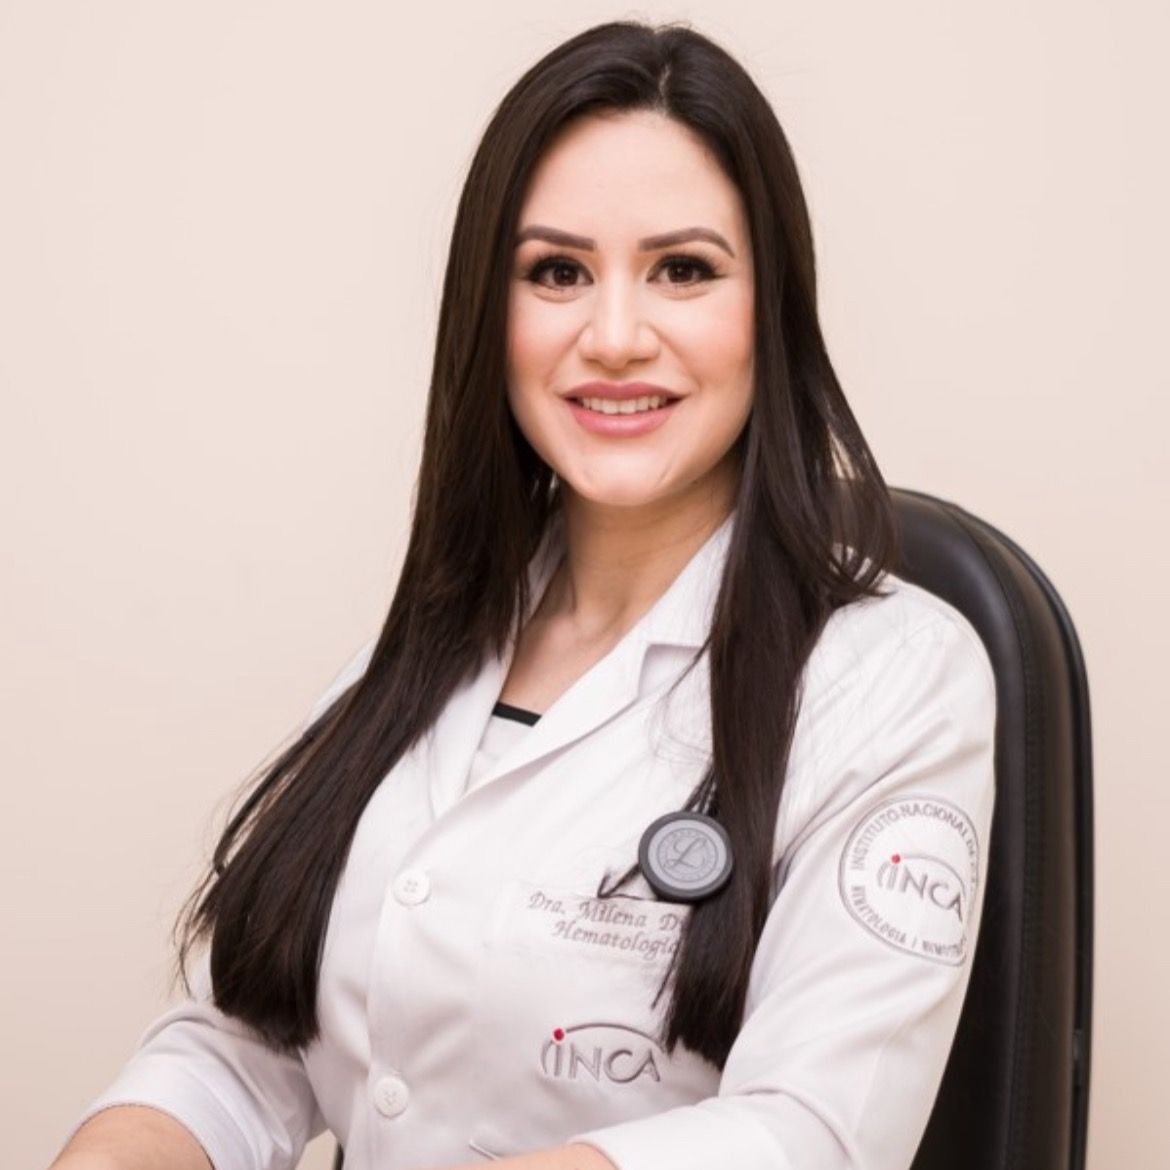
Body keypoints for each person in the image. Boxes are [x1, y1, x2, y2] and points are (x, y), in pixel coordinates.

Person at [50, 18, 997, 1170]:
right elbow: (242, 1046)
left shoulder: (894, 679)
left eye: (683, 270)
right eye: (556, 272)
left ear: (773, 309)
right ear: (489, 316)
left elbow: (810, 1133)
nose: (614, 337)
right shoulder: (432, 647)